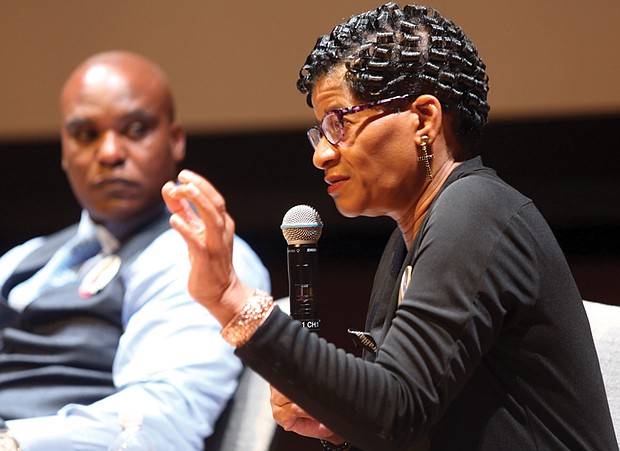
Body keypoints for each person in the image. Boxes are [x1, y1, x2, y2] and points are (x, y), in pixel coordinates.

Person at [162, 3, 617, 451]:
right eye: (319, 131)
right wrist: (337, 414)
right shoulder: (403, 246)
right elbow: (399, 411)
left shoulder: (476, 211)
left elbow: (395, 411)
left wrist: (232, 300)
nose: (321, 153)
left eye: (340, 122)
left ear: (423, 119)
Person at [0, 50, 270, 450]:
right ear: (63, 150)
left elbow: (159, 421)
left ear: (175, 140)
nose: (109, 153)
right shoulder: (21, 259)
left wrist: (14, 441)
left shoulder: (200, 260)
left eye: (135, 128)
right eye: (86, 135)